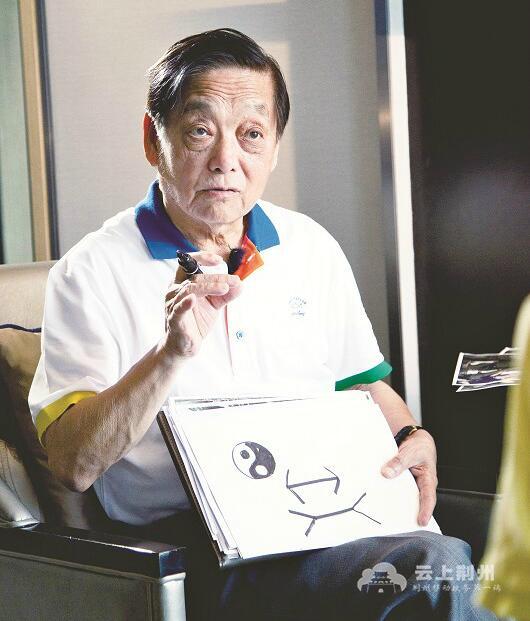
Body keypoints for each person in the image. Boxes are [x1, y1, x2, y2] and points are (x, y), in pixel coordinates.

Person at [29, 28, 496, 621]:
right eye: (200, 131)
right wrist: (170, 355)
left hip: (338, 512)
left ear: (273, 148)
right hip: (196, 546)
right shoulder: (88, 272)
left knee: (469, 567)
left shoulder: (310, 245)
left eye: (251, 134)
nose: (227, 160)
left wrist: (410, 435)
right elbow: (73, 464)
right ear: (153, 138)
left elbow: (362, 384)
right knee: (434, 573)